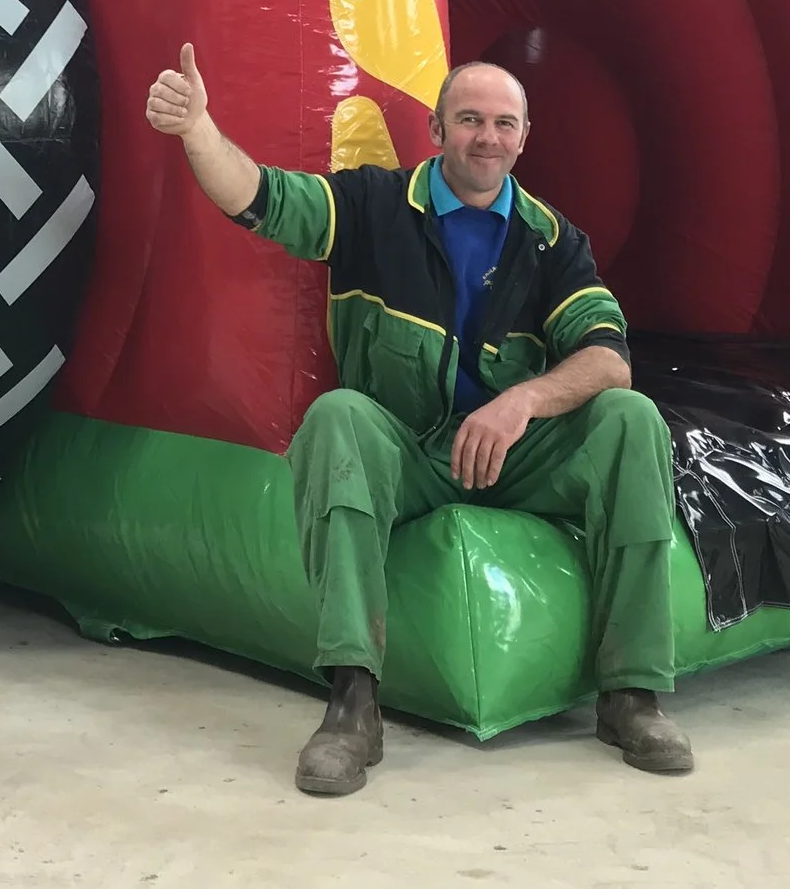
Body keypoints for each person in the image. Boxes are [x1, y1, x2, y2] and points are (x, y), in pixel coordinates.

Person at [145, 45, 689, 795]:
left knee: (631, 417)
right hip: (408, 452)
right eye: (469, 119)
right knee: (338, 415)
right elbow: (260, 199)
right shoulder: (373, 205)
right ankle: (353, 703)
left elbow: (608, 356)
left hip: (512, 453)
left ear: (524, 138)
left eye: (504, 123)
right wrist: (198, 129)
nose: (487, 137)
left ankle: (633, 693)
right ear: (436, 129)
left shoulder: (552, 240)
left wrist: (521, 401)